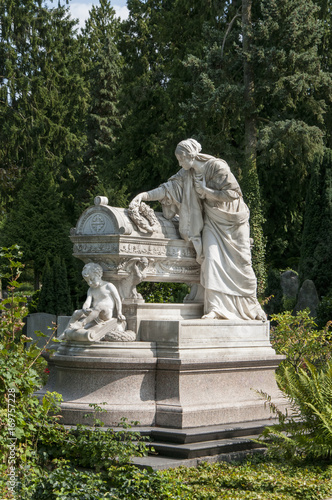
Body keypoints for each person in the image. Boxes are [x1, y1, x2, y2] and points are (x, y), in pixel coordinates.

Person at [130, 138, 266, 321]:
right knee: (211, 259)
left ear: (190, 155)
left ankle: (250, 305)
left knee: (242, 264)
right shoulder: (187, 173)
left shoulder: (217, 167)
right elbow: (167, 189)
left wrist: (207, 192)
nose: (179, 162)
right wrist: (143, 196)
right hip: (213, 221)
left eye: (180, 158)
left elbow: (234, 193)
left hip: (234, 220)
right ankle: (216, 308)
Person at [58, 263, 126, 338]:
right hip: (94, 313)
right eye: (87, 281)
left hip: (106, 314)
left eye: (92, 279)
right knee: (77, 312)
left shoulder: (108, 286)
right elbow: (88, 302)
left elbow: (117, 300)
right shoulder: (91, 289)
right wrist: (85, 308)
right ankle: (65, 333)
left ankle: (81, 324)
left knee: (100, 305)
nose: (90, 283)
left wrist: (119, 313)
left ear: (99, 275)